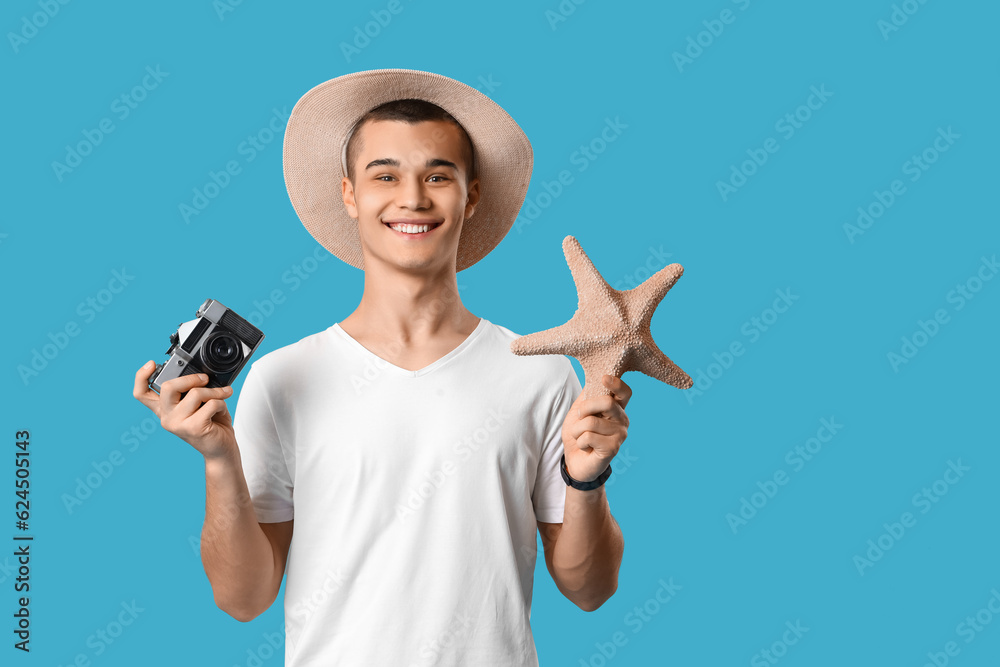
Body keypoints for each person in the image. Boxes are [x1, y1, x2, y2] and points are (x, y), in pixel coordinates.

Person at [132, 69, 630, 666]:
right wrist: (218, 459)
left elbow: (590, 589)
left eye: (438, 176)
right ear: (350, 194)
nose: (413, 198)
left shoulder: (538, 373)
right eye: (385, 175)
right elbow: (243, 599)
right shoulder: (283, 379)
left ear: (471, 196)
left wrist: (587, 479)